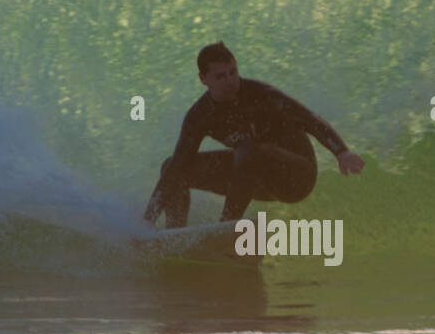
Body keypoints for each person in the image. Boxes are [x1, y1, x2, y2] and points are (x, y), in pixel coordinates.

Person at [143, 42, 364, 228]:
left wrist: (341, 152)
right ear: (203, 79)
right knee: (172, 166)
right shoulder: (200, 115)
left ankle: (225, 228)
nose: (230, 80)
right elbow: (179, 167)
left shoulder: (261, 95)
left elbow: (308, 119)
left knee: (248, 150)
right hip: (253, 179)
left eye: (233, 72)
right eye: (220, 76)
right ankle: (175, 234)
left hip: (296, 175)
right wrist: (146, 223)